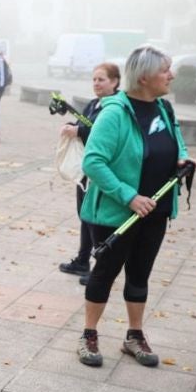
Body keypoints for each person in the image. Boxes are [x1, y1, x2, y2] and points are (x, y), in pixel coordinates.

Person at [77, 46, 196, 368]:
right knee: (104, 273)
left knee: (140, 274)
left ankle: (134, 336)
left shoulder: (164, 110)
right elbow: (93, 161)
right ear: (144, 77)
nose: (171, 75)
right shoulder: (114, 112)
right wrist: (129, 196)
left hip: (154, 211)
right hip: (116, 214)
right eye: (165, 70)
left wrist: (182, 158)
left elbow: (177, 141)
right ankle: (89, 334)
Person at [58, 62, 121, 283]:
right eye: (94, 79)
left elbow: (102, 132)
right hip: (86, 169)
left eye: (101, 79)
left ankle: (100, 267)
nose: (96, 83)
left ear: (114, 82)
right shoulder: (95, 104)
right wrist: (71, 127)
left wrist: (79, 130)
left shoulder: (116, 107)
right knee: (85, 214)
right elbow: (82, 125)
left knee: (97, 219)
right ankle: (83, 260)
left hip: (102, 171)